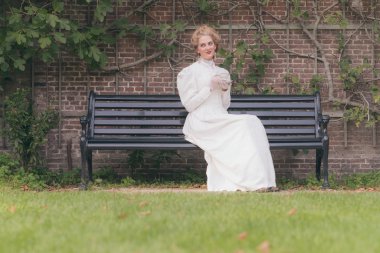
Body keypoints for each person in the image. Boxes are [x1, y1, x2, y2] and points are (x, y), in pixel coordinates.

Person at [177, 24, 277, 192]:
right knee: (244, 123)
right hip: (201, 120)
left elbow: (225, 105)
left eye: (210, 43)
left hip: (219, 116)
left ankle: (264, 181)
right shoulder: (189, 73)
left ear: (215, 45)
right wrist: (209, 87)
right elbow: (189, 105)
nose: (207, 47)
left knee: (253, 121)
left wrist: (224, 90)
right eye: (203, 45)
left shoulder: (223, 72)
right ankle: (254, 182)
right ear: (197, 50)